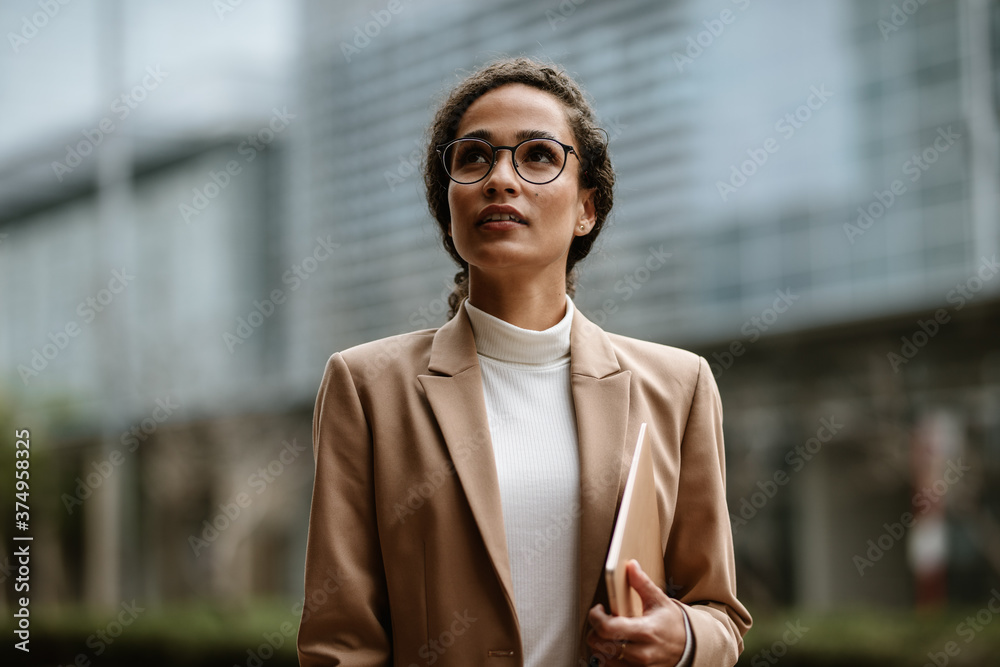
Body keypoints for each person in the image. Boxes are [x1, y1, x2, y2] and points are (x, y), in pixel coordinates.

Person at [297, 57, 751, 667]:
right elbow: (340, 642)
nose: (500, 179)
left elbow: (718, 613)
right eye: (474, 158)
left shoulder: (680, 386)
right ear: (448, 205)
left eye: (537, 155)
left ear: (587, 207)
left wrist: (684, 638)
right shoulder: (366, 387)